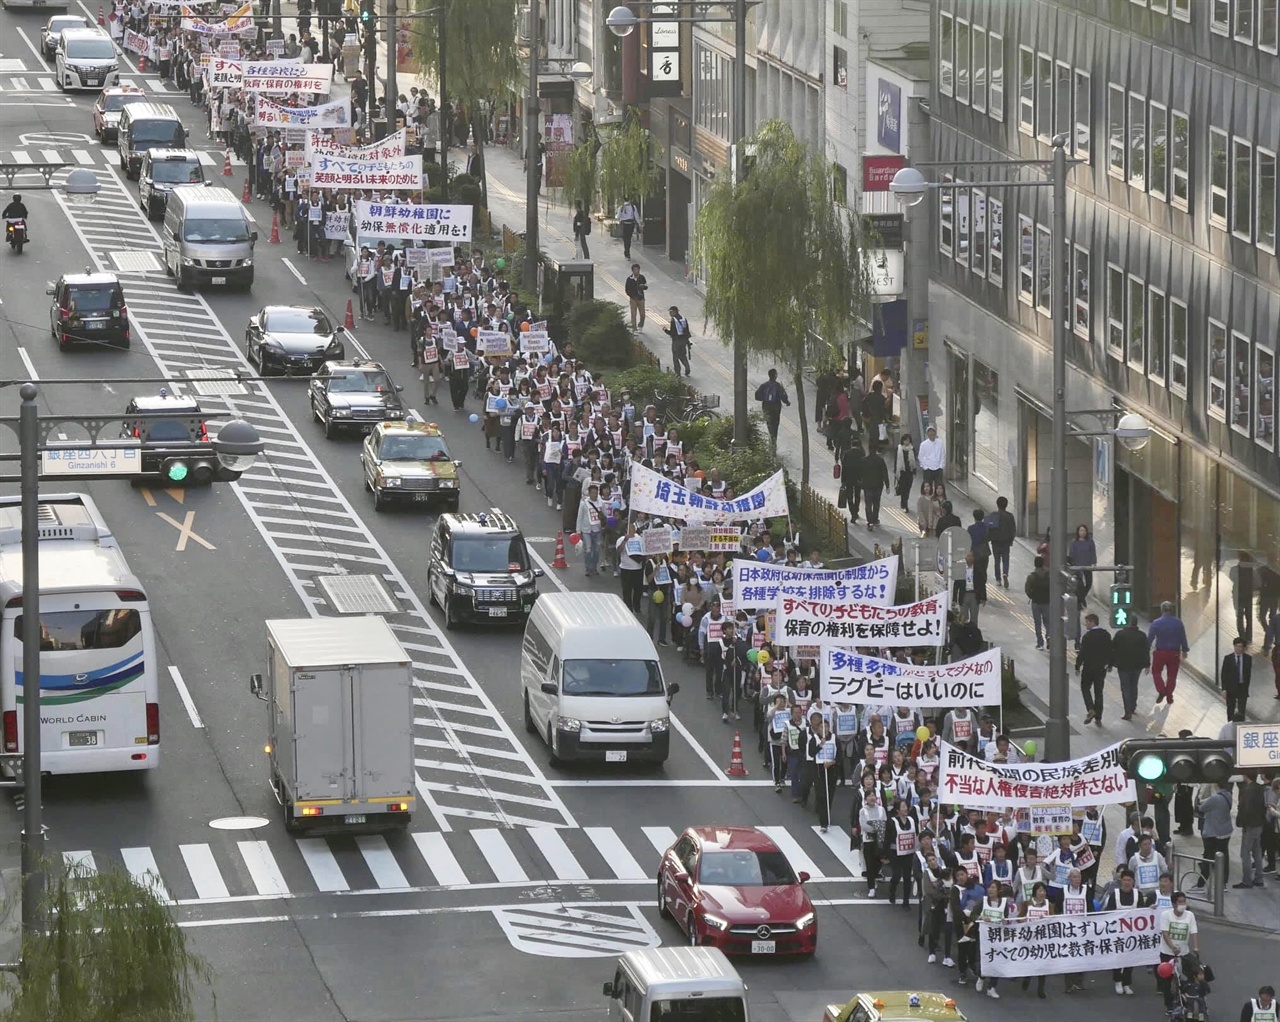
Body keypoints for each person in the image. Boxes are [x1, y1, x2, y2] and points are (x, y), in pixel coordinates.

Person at [1103, 868, 1146, 996]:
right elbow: (1108, 914)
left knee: (1130, 959)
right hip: (1117, 934)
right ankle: (1117, 981)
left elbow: (1142, 913)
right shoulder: (1114, 895)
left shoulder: (1138, 895)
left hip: (1132, 934)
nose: (1127, 882)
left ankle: (1127, 983)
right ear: (1121, 881)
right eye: (1125, 880)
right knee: (1118, 958)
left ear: (1133, 882)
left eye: (1129, 880)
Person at [1157, 892, 1199, 1011]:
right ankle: (1169, 1005)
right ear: (1174, 904)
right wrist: (1172, 947)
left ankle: (1186, 1001)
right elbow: (1165, 933)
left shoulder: (1190, 915)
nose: (1182, 904)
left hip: (1184, 953)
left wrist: (1196, 947)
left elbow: (1194, 931)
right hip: (1167, 953)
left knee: (1188, 978)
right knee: (1167, 981)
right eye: (1180, 902)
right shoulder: (1166, 915)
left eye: (1184, 901)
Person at [1148, 601, 1191, 705]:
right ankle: (1169, 695)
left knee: (1156, 671)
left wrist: (1146, 649)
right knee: (1172, 675)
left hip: (1160, 652)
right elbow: (1183, 638)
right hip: (1174, 653)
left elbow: (1150, 638)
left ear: (1161, 610)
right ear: (1171, 610)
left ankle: (1161, 689)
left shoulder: (1156, 623)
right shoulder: (1178, 622)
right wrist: (1185, 650)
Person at [1076, 613, 1113, 726]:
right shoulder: (1106, 635)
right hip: (1101, 668)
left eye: (1087, 622)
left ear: (1092, 622)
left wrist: (1078, 666)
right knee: (1099, 692)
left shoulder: (1087, 637)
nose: (1085, 624)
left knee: (1085, 688)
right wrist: (1110, 664)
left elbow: (1082, 652)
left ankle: (1090, 709)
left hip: (1088, 668)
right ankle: (1098, 718)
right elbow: (1110, 650)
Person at [1196, 780, 1234, 887]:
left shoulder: (1215, 798)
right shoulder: (1228, 795)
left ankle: (1201, 884)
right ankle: (1224, 883)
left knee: (1208, 858)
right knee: (1224, 857)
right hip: (1226, 831)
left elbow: (1201, 808)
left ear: (1216, 785)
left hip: (1214, 832)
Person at [1111, 617, 1150, 720]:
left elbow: (1113, 649)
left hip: (1123, 665)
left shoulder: (1120, 634)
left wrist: (1110, 663)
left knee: (1125, 688)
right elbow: (1146, 650)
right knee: (1134, 685)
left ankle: (1127, 711)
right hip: (1137, 666)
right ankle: (1133, 707)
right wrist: (1147, 664)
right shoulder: (1142, 635)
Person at [1236, 773, 1268, 889]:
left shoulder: (1248, 790)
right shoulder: (1260, 788)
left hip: (1250, 825)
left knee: (1245, 853)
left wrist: (1241, 821)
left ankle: (1247, 880)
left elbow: (1246, 808)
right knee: (1257, 851)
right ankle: (1259, 878)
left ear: (1246, 776)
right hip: (1259, 823)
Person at [754, 369, 790, 447]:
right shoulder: (778, 385)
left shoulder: (764, 385)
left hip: (766, 406)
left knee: (769, 423)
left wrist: (764, 398)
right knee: (775, 424)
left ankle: (772, 438)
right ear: (775, 376)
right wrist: (787, 402)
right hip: (776, 407)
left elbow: (757, 395)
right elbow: (783, 396)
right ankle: (774, 440)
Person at [1221, 636, 1253, 722]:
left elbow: (1248, 674)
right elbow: (1224, 674)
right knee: (1230, 709)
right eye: (1236, 646)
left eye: (1240, 646)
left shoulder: (1248, 659)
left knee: (1242, 709)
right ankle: (1230, 725)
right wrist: (1224, 689)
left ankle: (1241, 726)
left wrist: (1246, 688)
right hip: (1231, 688)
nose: (1238, 649)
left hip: (1242, 687)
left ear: (1243, 648)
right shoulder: (1228, 658)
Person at [858, 444, 890, 531]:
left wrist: (860, 483)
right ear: (876, 450)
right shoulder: (880, 460)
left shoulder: (864, 460)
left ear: (868, 450)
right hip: (878, 485)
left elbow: (860, 473)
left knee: (868, 504)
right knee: (876, 503)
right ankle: (875, 519)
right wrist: (887, 485)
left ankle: (870, 522)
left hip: (867, 485)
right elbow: (884, 473)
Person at [987, 496, 1016, 587]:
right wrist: (1011, 540)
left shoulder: (993, 515)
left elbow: (989, 529)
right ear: (1006, 505)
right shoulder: (1010, 516)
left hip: (995, 542)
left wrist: (989, 539)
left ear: (997, 504)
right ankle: (1005, 573)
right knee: (1006, 559)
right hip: (1006, 542)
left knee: (997, 560)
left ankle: (998, 579)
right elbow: (1013, 530)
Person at [1024, 555, 1052, 650]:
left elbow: (1027, 589)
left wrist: (1032, 596)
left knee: (1037, 623)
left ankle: (1040, 643)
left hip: (1036, 602)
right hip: (1047, 602)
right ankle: (1049, 636)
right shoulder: (1049, 575)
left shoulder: (1032, 576)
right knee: (1047, 622)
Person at [1069, 524, 1098, 608]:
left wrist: (1094, 563)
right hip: (1077, 566)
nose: (1083, 532)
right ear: (1078, 532)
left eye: (1084, 530)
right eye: (1081, 530)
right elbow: (1071, 554)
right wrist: (1072, 565)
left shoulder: (1090, 541)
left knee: (1089, 583)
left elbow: (1093, 552)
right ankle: (1081, 601)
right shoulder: (1074, 542)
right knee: (1080, 585)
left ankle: (1081, 599)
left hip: (1087, 565)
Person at [663, 306, 692, 376]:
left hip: (676, 341)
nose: (670, 314)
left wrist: (665, 330)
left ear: (675, 312)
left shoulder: (673, 320)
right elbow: (687, 330)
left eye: (670, 312)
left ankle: (677, 373)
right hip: (684, 340)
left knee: (675, 357)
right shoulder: (684, 319)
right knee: (682, 355)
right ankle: (687, 368)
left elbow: (672, 332)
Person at [894, 434, 917, 511]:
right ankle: (904, 504)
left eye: (908, 440)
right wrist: (895, 471)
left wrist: (914, 471)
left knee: (908, 488)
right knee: (903, 488)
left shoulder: (912, 449)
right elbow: (896, 461)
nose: (906, 442)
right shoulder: (899, 449)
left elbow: (914, 461)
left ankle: (904, 502)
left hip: (909, 472)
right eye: (905, 440)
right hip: (902, 472)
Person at [624, 263, 647, 329]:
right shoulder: (629, 279)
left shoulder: (642, 277)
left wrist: (643, 287)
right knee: (633, 314)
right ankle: (634, 328)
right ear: (632, 271)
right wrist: (632, 296)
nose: (636, 271)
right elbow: (627, 290)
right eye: (635, 269)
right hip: (633, 299)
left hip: (641, 298)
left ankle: (641, 324)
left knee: (642, 314)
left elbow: (646, 286)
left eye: (638, 269)